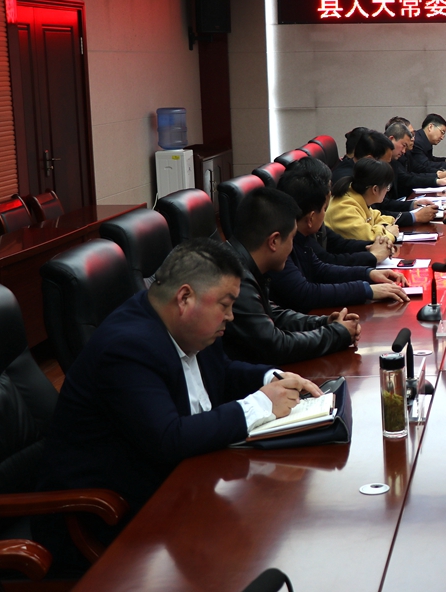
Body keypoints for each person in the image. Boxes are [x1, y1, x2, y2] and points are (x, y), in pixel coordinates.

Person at [35, 238, 324, 560]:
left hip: (177, 489)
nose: (230, 316)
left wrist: (272, 379)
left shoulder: (189, 327)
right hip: (102, 521)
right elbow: (168, 438)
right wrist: (260, 404)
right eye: (225, 304)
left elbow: (223, 372)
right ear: (185, 297)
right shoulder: (127, 347)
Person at [224, 187, 360, 365]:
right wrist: (337, 334)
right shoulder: (234, 278)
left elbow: (273, 315)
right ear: (274, 241)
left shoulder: (240, 263)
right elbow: (275, 346)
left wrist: (325, 322)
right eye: (292, 238)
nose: (292, 247)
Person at [270, 157, 410, 313]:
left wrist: (369, 274)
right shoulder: (281, 243)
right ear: (310, 218)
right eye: (325, 209)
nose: (326, 214)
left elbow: (320, 269)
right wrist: (366, 289)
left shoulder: (301, 235)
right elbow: (305, 293)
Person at [325, 157, 400, 242]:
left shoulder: (358, 198)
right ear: (375, 189)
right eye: (387, 186)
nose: (387, 190)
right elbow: (370, 239)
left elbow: (377, 217)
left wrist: (382, 227)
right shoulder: (345, 208)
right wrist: (389, 233)